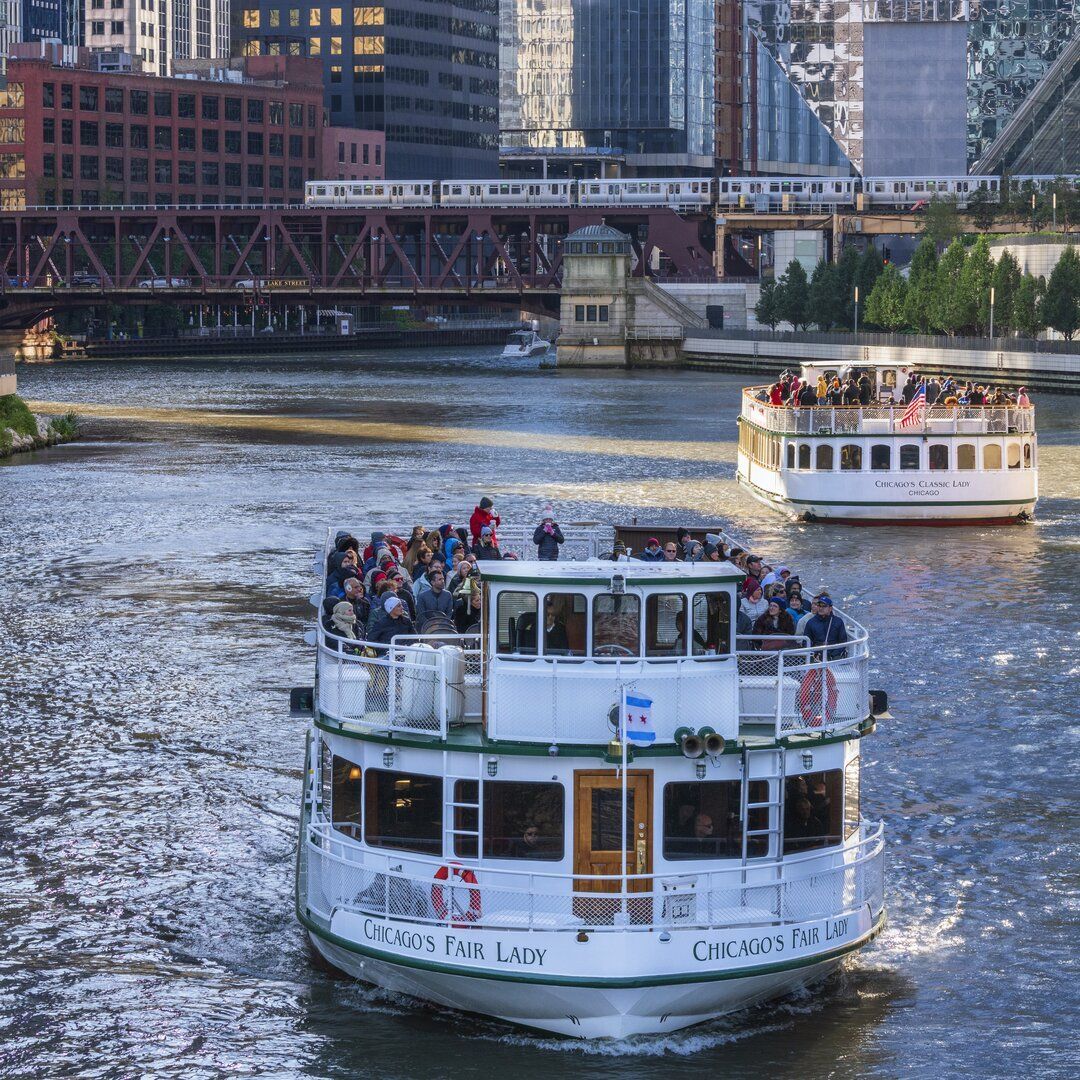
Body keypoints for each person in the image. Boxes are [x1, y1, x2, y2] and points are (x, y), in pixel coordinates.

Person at [803, 594, 848, 658]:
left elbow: (843, 642)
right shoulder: (811, 622)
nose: (821, 608)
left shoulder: (838, 621)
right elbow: (806, 642)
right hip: (817, 655)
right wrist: (815, 652)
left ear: (830, 608)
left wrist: (833, 655)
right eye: (819, 605)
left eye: (824, 606)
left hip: (834, 656)